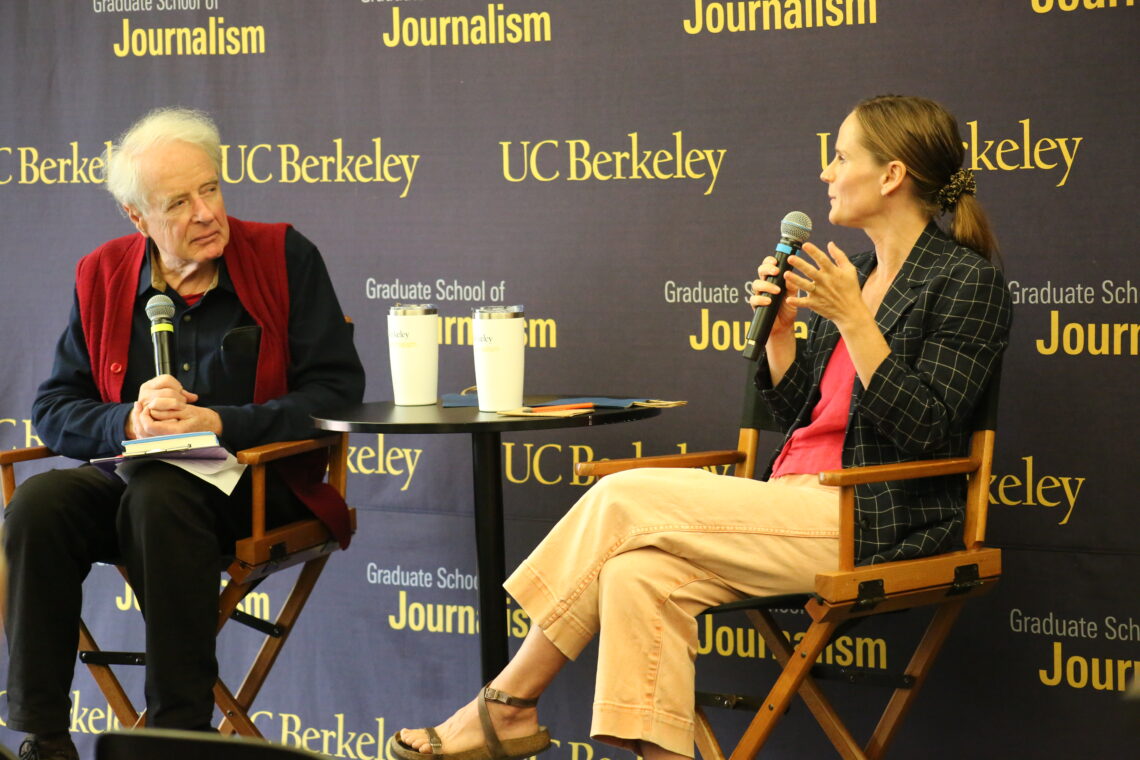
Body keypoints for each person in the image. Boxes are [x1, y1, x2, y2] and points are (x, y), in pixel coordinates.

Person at [388, 94, 1012, 760]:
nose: (827, 174)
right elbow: (802, 418)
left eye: (839, 157)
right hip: (793, 504)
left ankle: (507, 703)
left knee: (624, 498)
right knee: (634, 576)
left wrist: (856, 321)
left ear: (891, 175)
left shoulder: (965, 282)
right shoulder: (855, 274)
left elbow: (927, 430)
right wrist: (780, 336)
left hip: (874, 519)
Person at [2, 107, 365, 760]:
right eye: (179, 202)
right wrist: (128, 420)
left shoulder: (283, 255)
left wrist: (222, 420)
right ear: (138, 219)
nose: (206, 212)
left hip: (255, 485)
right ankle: (43, 738)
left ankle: (178, 736)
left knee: (159, 497)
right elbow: (54, 408)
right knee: (37, 505)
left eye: (212, 188)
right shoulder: (103, 274)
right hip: (134, 480)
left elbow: (336, 393)